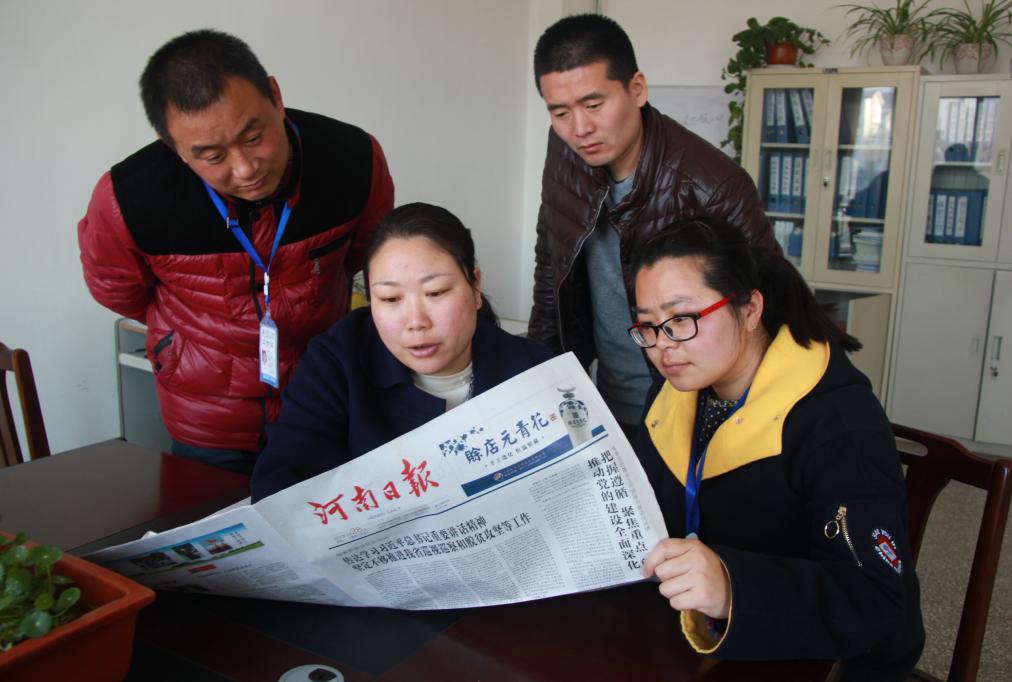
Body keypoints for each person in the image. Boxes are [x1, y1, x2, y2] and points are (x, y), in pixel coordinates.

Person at [78, 30, 394, 473]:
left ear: (276, 97)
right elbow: (116, 289)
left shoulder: (352, 158)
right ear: (172, 147)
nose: (245, 170)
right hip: (207, 416)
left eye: (253, 137)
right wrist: (187, 339)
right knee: (212, 514)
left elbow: (368, 255)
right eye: (212, 157)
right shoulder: (129, 197)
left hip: (321, 396)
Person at [629, 219, 923, 681]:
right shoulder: (675, 395)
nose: (663, 345)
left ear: (749, 310)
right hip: (695, 641)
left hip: (822, 664)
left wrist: (732, 587)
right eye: (647, 326)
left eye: (681, 319)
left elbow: (877, 599)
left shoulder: (838, 423)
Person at [528, 14, 776, 438]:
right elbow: (552, 264)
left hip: (691, 405)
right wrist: (539, 379)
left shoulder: (713, 184)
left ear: (637, 89)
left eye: (594, 105)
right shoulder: (566, 148)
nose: (580, 128)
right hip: (602, 397)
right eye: (561, 112)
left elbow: (766, 307)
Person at [251, 203, 553, 501]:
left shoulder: (535, 368)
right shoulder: (335, 365)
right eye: (390, 298)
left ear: (475, 286)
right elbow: (280, 492)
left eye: (435, 293)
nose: (416, 321)